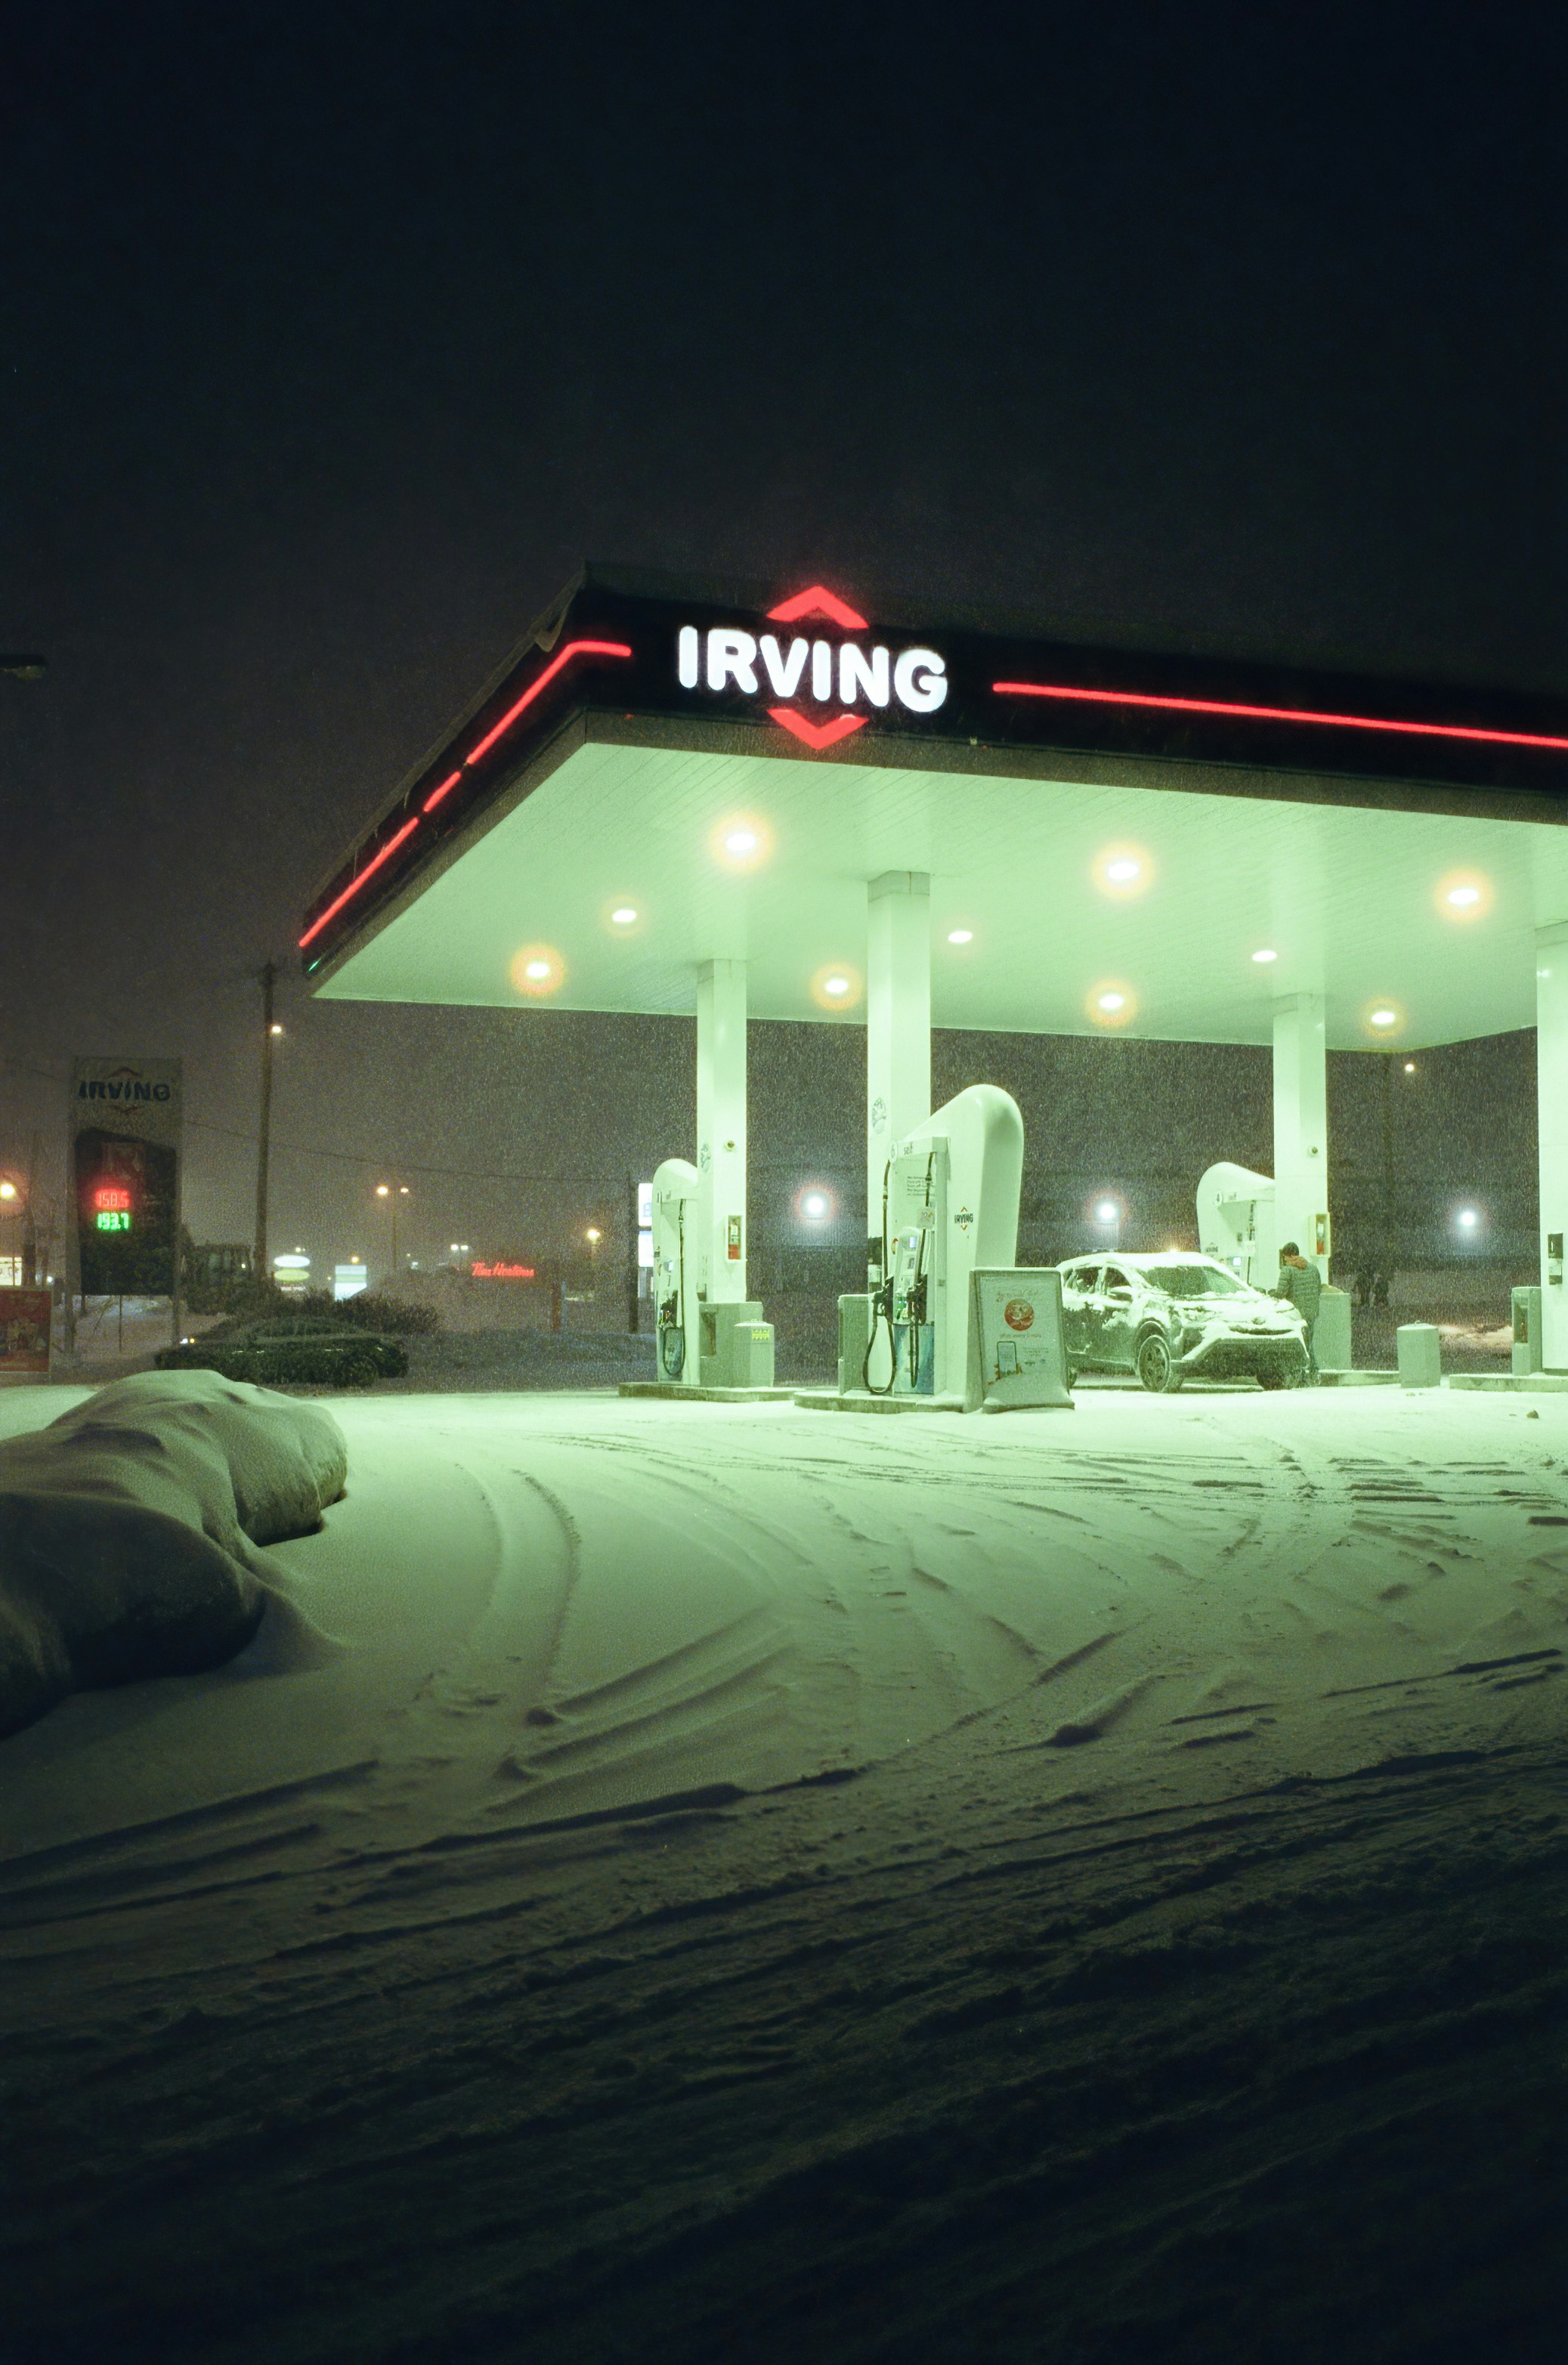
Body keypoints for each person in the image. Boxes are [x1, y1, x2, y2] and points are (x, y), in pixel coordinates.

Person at [1274, 1241, 1322, 1382]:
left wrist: (1272, 1294)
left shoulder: (1287, 1270)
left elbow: (1281, 1293)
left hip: (1296, 1316)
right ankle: (1314, 1373)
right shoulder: (1313, 1269)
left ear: (1287, 1256)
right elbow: (1318, 1289)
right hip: (1312, 1313)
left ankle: (1302, 1375)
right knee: (1308, 1344)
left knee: (1299, 1346)